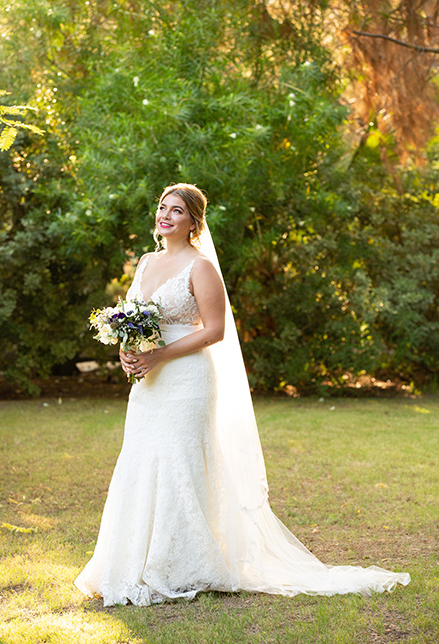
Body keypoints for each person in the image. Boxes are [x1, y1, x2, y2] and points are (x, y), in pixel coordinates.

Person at [74, 183, 410, 607]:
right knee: (141, 461)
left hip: (187, 380)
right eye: (163, 207)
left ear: (194, 222)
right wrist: (130, 350)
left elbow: (214, 331)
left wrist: (159, 355)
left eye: (177, 211)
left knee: (180, 462)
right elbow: (134, 318)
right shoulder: (145, 261)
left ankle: (181, 565)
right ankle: (134, 562)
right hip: (149, 381)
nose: (166, 215)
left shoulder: (201, 267)